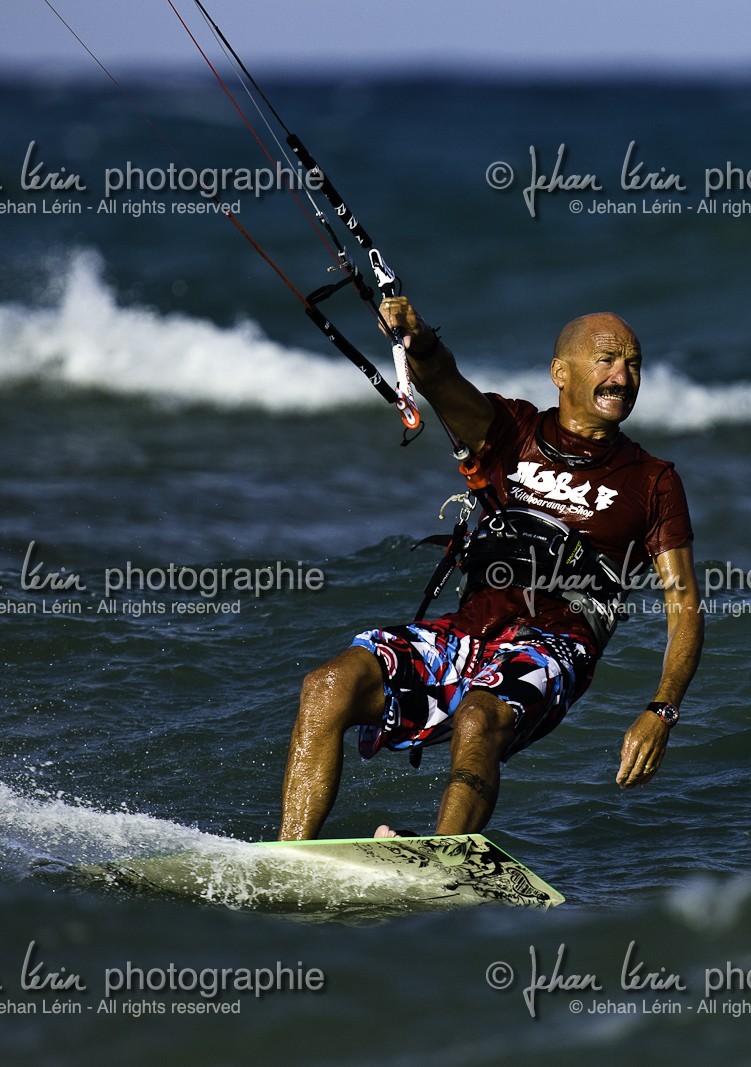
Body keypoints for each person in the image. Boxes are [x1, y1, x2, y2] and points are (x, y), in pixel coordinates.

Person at [277, 296, 703, 841]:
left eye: (633, 363)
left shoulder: (653, 481)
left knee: (479, 717)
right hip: (467, 632)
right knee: (327, 686)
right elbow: (441, 380)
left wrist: (662, 711)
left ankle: (442, 859)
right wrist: (418, 338)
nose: (622, 377)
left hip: (554, 645)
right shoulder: (510, 430)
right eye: (606, 360)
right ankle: (291, 858)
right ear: (561, 373)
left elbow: (684, 604)